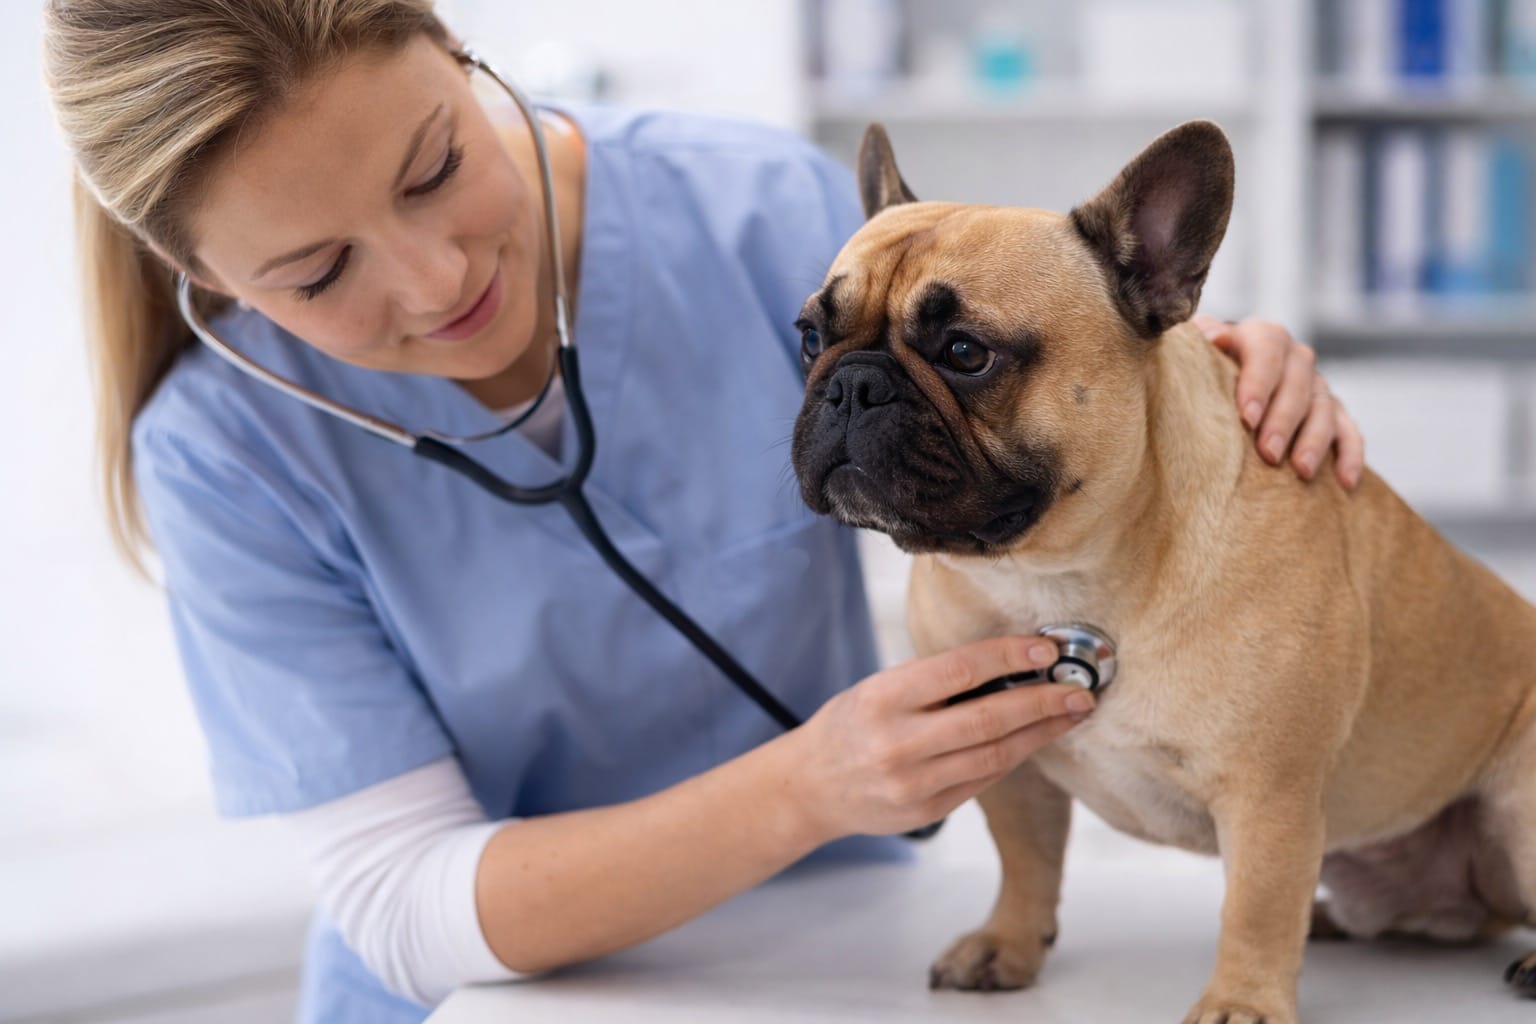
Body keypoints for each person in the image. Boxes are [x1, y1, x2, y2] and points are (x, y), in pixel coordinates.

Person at [42, 2, 1366, 1021]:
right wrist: (813, 786)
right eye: (319, 270)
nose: (434, 279)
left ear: (458, 53)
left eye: (434, 167)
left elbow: (1046, 347)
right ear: (203, 276)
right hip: (483, 1001)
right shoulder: (223, 454)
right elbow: (401, 902)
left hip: (829, 955)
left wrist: (1209, 386)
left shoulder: (761, 211)